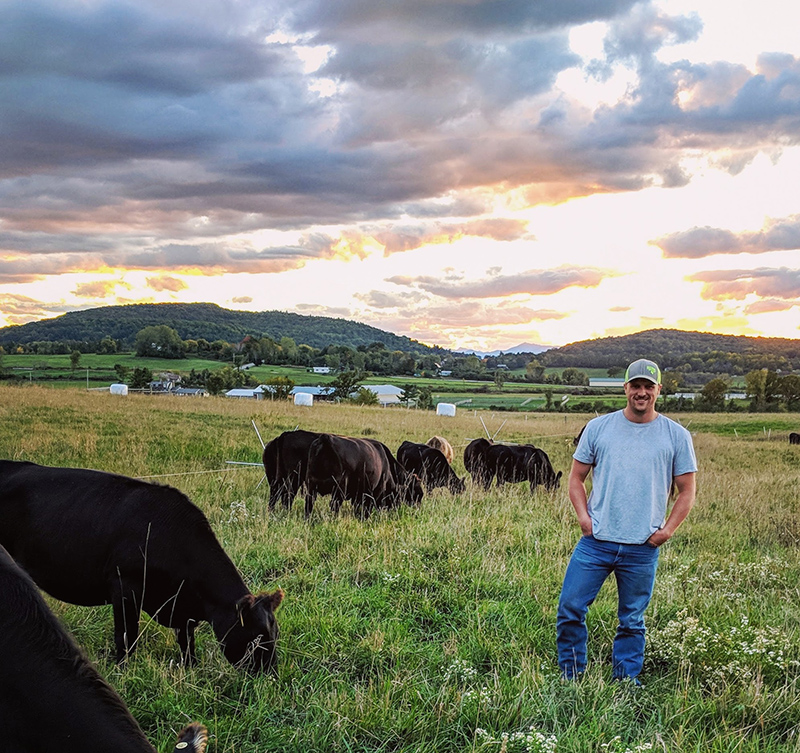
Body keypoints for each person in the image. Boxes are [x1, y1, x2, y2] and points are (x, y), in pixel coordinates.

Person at [556, 358, 697, 684]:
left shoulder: (676, 436)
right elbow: (576, 478)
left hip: (642, 547)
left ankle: (626, 682)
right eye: (636, 385)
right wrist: (583, 518)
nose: (642, 392)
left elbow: (687, 491)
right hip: (596, 542)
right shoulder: (599, 428)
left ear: (659, 390)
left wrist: (667, 531)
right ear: (626, 388)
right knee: (570, 609)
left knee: (632, 620)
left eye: (649, 386)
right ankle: (571, 676)